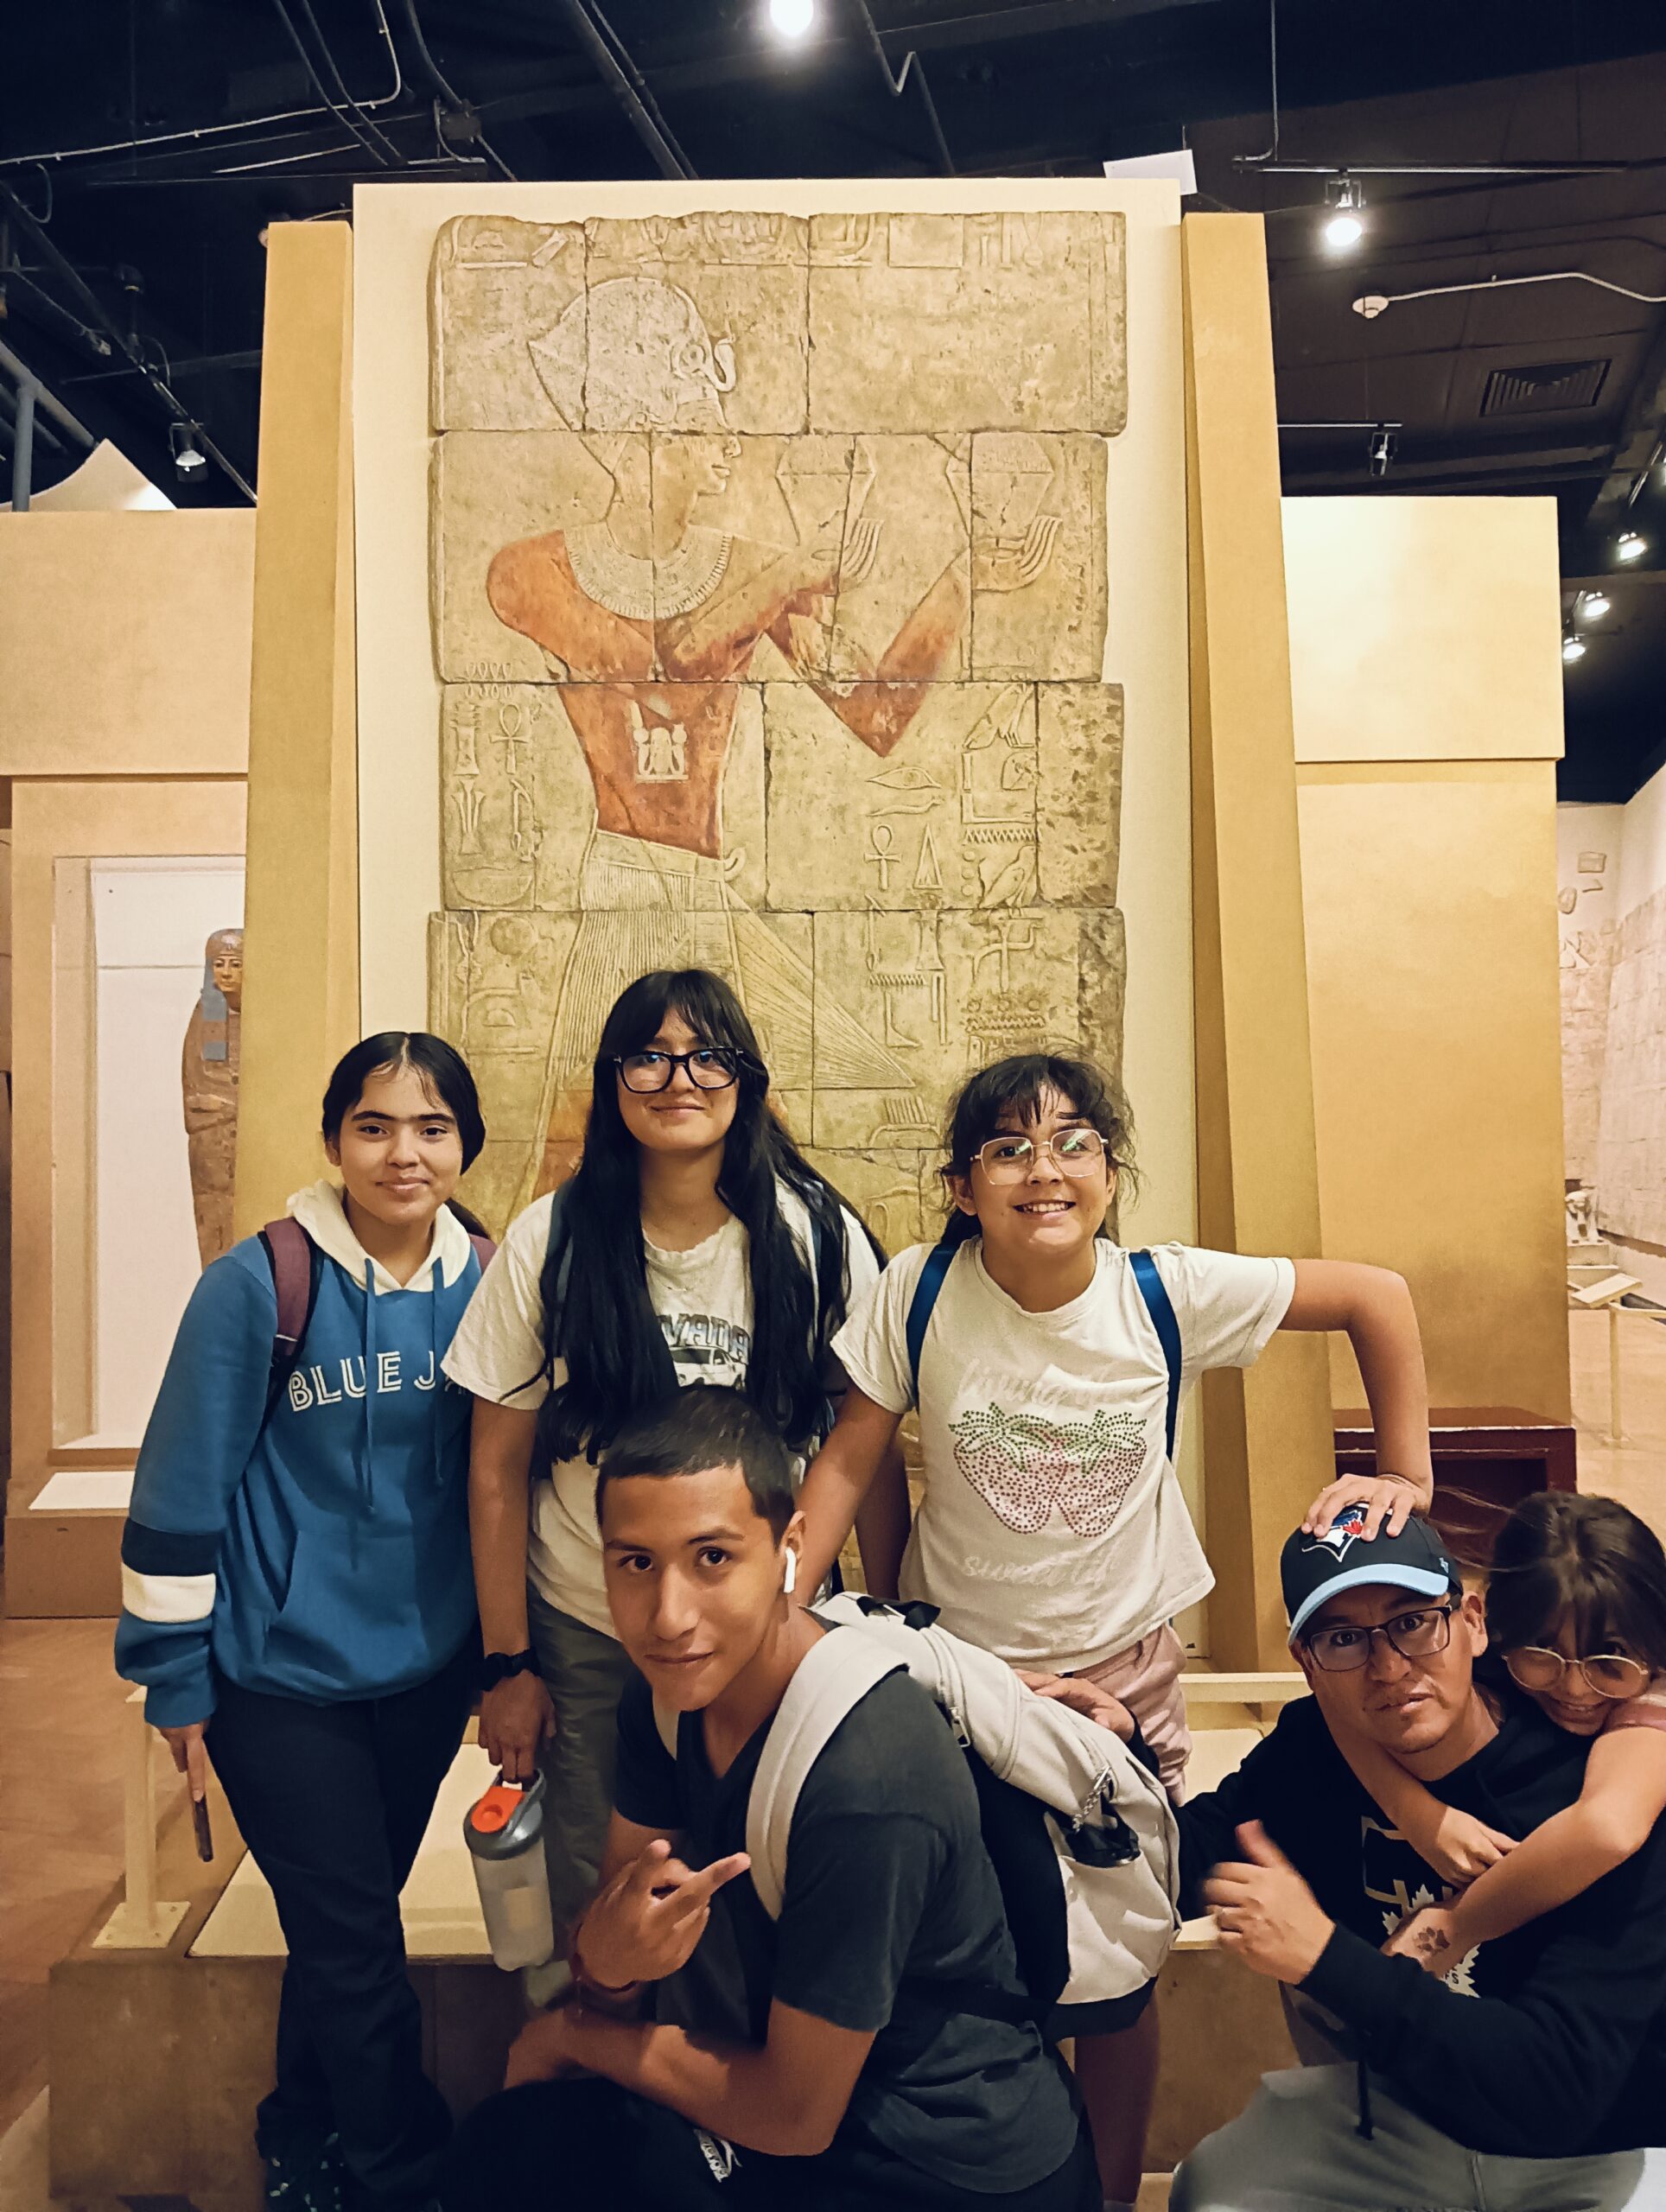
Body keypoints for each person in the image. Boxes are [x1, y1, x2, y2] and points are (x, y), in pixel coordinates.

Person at [792, 1049, 1434, 2212]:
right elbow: (848, 1457)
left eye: (1073, 1143)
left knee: (1119, 1968)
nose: (1044, 1169)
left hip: (1124, 1680)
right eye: (1008, 1148)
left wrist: (1404, 1476)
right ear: (961, 1186)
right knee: (980, 1945)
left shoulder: (1160, 1292)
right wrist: (785, 1608)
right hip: (966, 1680)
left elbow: (1375, 1297)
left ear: (1108, 1171)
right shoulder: (917, 1290)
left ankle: (1101, 2193)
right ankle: (1011, 2174)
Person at [440, 1385, 1099, 2212]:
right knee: (509, 2151)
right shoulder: (665, 1699)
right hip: (804, 2103)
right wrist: (606, 1970)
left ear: (790, 1549)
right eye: (636, 1563)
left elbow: (794, 2115)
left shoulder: (868, 1777)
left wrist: (576, 2033)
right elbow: (615, 1947)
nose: (669, 1617)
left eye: (712, 1558)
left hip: (946, 2156)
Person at [442, 967, 896, 1967]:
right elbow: (494, 1465)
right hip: (591, 1625)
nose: (677, 1079)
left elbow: (864, 1437)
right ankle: (598, 2058)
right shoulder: (552, 1237)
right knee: (602, 1888)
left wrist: (876, 1611)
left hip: (763, 1624)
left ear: (746, 1078)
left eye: (706, 1056)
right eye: (647, 1056)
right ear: (612, 1081)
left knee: (763, 1874)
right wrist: (508, 1664)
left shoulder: (817, 1232)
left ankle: (729, 2063)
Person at [116, 1033, 493, 2212]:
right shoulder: (257, 1286)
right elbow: (179, 1492)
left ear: (465, 1145)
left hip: (423, 1675)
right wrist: (174, 1678)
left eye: (431, 1127)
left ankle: (300, 2137)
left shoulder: (490, 1284)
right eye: (373, 1125)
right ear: (334, 1140)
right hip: (276, 1683)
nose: (402, 1152)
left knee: (343, 1932)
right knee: (356, 1944)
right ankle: (402, 2173)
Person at [1170, 1510, 1666, 2211]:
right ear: (1307, 1664)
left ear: (1473, 1622)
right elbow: (1179, 1857)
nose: (1390, 1667)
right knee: (1212, 2189)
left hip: (1604, 2147)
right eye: (1344, 1639)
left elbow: (1557, 2093)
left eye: (1413, 1623)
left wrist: (1326, 1957)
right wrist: (1106, 1760)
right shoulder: (1311, 1751)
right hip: (1408, 2121)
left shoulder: (1604, 1785)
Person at [1332, 1490, 1666, 1965]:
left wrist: (1452, 1927)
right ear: (1487, 1623)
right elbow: (1329, 1703)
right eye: (1542, 1654)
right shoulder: (1482, 1648)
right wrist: (1417, 1814)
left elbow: (1608, 1829)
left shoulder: (1654, 1696)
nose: (1575, 1689)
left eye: (1610, 1660)